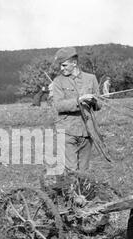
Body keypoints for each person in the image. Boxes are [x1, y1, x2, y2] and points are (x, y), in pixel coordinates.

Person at [51, 46, 102, 175]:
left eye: (64, 65)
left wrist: (94, 101)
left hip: (87, 131)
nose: (61, 69)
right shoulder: (58, 82)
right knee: (71, 170)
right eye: (60, 66)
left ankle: (82, 194)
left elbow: (99, 105)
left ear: (74, 63)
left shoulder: (91, 78)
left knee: (84, 171)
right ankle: (72, 194)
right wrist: (79, 100)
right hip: (67, 131)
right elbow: (58, 105)